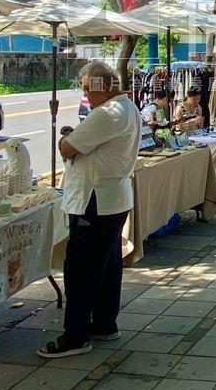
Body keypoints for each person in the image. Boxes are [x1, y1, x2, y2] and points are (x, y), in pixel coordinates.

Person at [39, 61, 140, 358]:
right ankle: (105, 323)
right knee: (106, 265)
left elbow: (67, 148)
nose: (85, 95)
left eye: (87, 89)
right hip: (110, 198)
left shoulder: (108, 113)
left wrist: (66, 138)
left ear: (102, 86)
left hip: (95, 200)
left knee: (81, 269)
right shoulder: (126, 107)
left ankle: (76, 336)